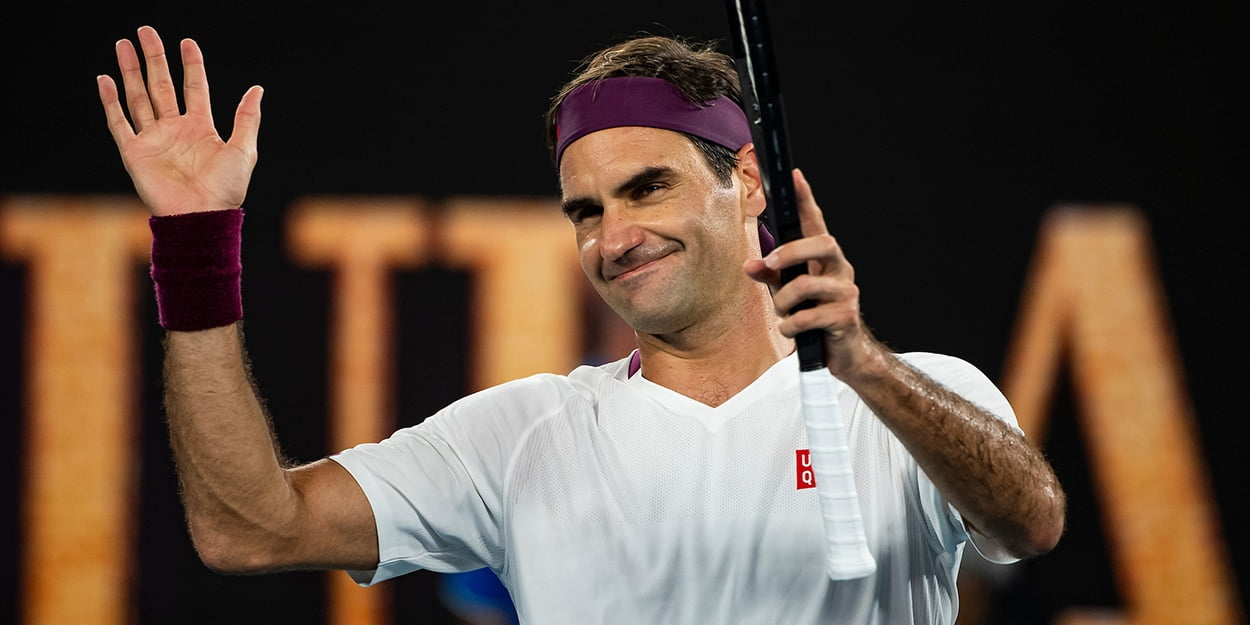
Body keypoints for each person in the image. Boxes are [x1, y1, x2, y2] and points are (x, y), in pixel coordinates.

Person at [97, 24, 1065, 624]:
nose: (614, 235)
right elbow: (247, 531)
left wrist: (861, 366)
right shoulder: (515, 434)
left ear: (745, 183)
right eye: (585, 210)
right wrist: (193, 242)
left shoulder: (912, 389)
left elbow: (1028, 523)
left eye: (646, 188)